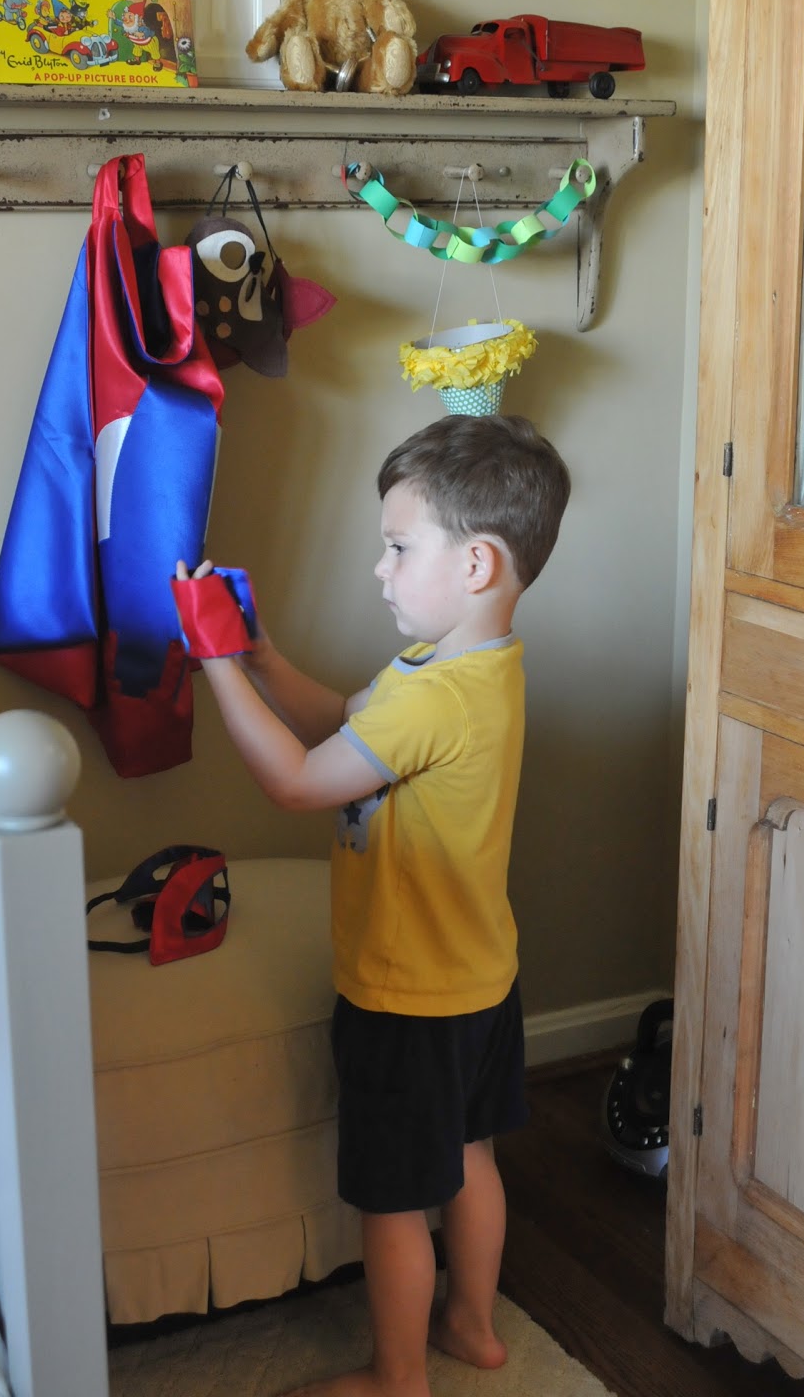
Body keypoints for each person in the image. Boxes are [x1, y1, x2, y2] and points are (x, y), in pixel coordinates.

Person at [174, 413, 571, 1397]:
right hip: (480, 978)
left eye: (399, 548)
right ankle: (474, 1327)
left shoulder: (438, 693)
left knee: (396, 1202)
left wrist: (214, 667)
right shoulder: (466, 667)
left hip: (407, 997)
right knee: (471, 1155)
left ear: (476, 563)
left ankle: (398, 1378)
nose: (381, 569)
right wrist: (263, 658)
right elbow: (349, 728)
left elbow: (300, 783)